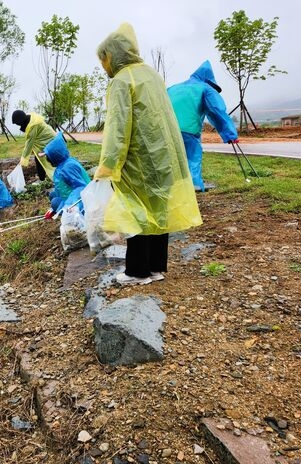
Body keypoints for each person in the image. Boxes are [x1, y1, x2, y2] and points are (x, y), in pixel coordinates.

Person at [94, 23, 202, 285]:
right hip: (163, 157)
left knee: (136, 212)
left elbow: (118, 128)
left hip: (139, 159)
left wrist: (108, 165)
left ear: (113, 54)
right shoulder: (151, 75)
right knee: (158, 209)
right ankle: (155, 268)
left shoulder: (122, 81)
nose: (104, 64)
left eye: (104, 58)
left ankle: (137, 272)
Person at [167, 60, 239, 191]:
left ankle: (172, 187)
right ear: (209, 80)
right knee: (192, 156)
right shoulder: (205, 88)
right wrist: (230, 134)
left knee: (171, 159)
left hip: (165, 128)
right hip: (188, 129)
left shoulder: (172, 88)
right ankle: (194, 185)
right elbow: (216, 111)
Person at [42, 131, 91, 217]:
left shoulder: (68, 167)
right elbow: (61, 187)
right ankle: (60, 209)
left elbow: (80, 187)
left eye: (48, 158)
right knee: (53, 195)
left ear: (55, 156)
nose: (48, 161)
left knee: (55, 202)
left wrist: (70, 205)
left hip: (81, 201)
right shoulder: (63, 164)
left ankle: (72, 213)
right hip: (70, 194)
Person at [11, 110, 56, 181]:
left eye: (17, 123)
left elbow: (29, 144)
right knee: (40, 158)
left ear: (21, 121)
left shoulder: (32, 125)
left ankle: (47, 178)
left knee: (44, 158)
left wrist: (23, 160)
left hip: (49, 139)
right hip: (49, 137)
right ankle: (43, 178)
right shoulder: (30, 119)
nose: (18, 125)